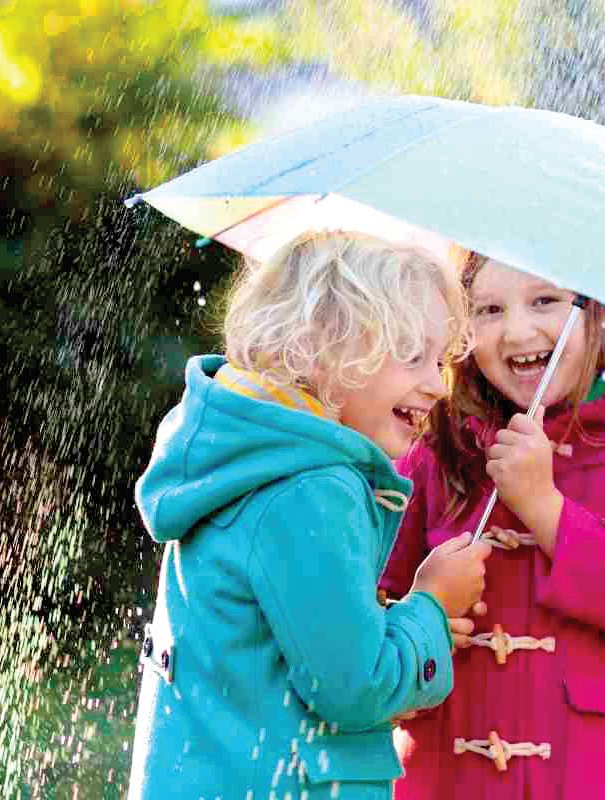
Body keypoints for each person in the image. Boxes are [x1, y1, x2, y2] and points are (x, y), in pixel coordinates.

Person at [127, 232, 493, 800]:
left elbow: (275, 654)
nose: (435, 385)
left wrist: (393, 625)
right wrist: (433, 606)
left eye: (440, 360)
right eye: (411, 355)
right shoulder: (313, 488)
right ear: (325, 347)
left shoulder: (244, 454)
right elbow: (354, 686)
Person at [380, 252, 605, 799]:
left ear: (600, 310)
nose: (518, 331)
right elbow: (375, 590)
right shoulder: (442, 440)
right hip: (455, 776)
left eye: (545, 300)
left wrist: (545, 508)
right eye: (489, 310)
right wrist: (418, 618)